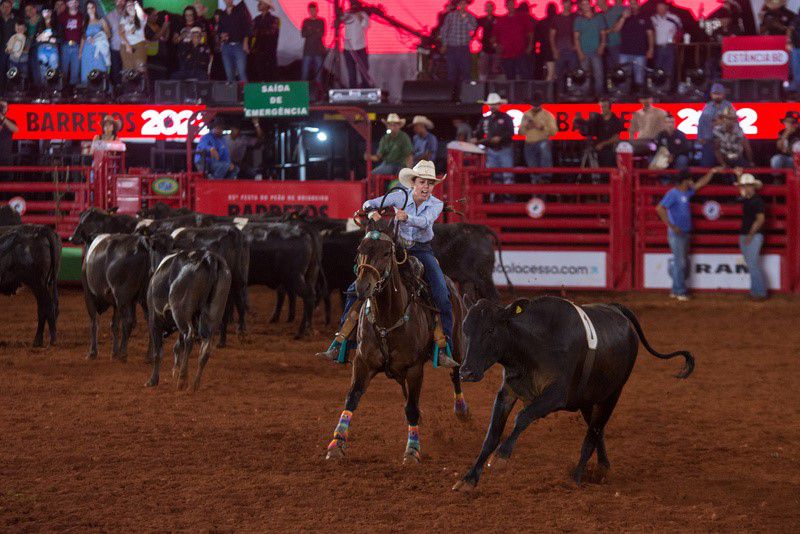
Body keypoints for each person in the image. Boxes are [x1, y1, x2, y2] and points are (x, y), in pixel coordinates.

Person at [316, 160, 459, 369]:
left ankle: (445, 349)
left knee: (441, 294)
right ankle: (342, 342)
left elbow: (426, 222)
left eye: (430, 183)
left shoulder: (435, 204)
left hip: (421, 250)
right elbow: (367, 204)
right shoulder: (400, 195)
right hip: (395, 249)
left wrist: (407, 216)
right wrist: (372, 212)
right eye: (423, 182)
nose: (426, 187)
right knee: (356, 289)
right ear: (414, 183)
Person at [655, 167, 721, 301]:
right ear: (685, 181)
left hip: (683, 232)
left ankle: (676, 289)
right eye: (690, 179)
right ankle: (680, 291)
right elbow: (660, 208)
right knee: (680, 262)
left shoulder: (685, 192)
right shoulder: (674, 193)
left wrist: (711, 172)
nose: (692, 181)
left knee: (680, 262)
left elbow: (701, 183)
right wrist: (672, 226)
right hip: (678, 233)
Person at [735, 172, 767, 300]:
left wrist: (750, 234)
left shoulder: (756, 201)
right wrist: (738, 176)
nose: (746, 188)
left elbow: (760, 220)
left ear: (753, 186)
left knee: (752, 264)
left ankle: (759, 292)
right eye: (745, 185)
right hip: (748, 234)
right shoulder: (749, 198)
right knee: (752, 264)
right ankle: (756, 291)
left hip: (752, 235)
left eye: (748, 185)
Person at [476, 92, 515, 190]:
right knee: (494, 175)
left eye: (495, 104)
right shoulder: (485, 119)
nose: (492, 106)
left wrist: (500, 138)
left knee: (507, 175)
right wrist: (476, 139)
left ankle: (507, 196)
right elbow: (478, 133)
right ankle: (497, 197)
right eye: (491, 104)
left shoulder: (506, 117)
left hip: (504, 149)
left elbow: (511, 133)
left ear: (499, 105)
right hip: (491, 150)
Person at [613, 0, 653, 90]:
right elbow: (615, 30)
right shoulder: (623, 16)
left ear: (638, 4)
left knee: (639, 78)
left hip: (640, 52)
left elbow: (650, 34)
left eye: (634, 3)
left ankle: (639, 98)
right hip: (625, 52)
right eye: (630, 4)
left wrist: (651, 49)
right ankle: (623, 98)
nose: (632, 6)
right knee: (623, 77)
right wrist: (623, 18)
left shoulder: (645, 17)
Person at [519, 91, 557, 183]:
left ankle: (545, 177)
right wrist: (525, 126)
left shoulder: (548, 115)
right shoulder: (526, 115)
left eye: (537, 104)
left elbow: (553, 132)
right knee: (533, 170)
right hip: (529, 143)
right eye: (534, 104)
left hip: (542, 141)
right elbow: (521, 133)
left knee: (544, 147)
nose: (535, 106)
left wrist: (542, 127)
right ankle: (536, 182)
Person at [440, 0, 477, 86]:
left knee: (466, 72)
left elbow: (472, 30)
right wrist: (444, 44)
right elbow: (444, 30)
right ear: (458, 4)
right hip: (452, 48)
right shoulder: (451, 16)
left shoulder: (471, 17)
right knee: (451, 72)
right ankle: (451, 96)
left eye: (464, 3)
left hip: (464, 48)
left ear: (467, 5)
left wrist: (465, 19)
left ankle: (466, 96)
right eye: (461, 3)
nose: (463, 5)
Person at [493, 0, 532, 81]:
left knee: (525, 76)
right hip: (506, 54)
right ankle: (511, 93)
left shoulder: (523, 18)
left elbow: (530, 33)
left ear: (515, 5)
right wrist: (496, 46)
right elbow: (493, 36)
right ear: (506, 6)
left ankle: (526, 92)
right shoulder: (501, 20)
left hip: (521, 53)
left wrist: (530, 46)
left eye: (512, 4)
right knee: (510, 78)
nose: (511, 6)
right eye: (509, 4)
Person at [697, 83, 735, 167]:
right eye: (715, 94)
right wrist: (700, 137)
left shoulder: (728, 106)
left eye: (719, 94)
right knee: (706, 165)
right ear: (711, 94)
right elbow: (701, 123)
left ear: (723, 94)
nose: (717, 96)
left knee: (727, 165)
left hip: (724, 142)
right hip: (709, 141)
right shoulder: (707, 107)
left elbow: (734, 123)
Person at [573, 0, 605, 97]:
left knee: (599, 74)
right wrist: (579, 52)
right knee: (584, 75)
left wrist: (602, 46)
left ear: (590, 4)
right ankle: (584, 96)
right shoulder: (578, 19)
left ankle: (599, 96)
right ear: (580, 6)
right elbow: (576, 38)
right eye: (583, 4)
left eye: (587, 3)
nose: (585, 6)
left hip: (596, 51)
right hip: (584, 51)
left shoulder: (599, 17)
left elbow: (603, 33)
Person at [218, 0, 252, 82]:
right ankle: (231, 94)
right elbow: (219, 30)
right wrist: (222, 36)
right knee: (229, 74)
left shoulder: (240, 11)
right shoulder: (222, 14)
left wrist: (245, 42)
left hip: (239, 45)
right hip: (226, 46)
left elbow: (247, 27)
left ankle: (246, 93)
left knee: (241, 73)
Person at [650, 0, 681, 90]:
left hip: (669, 47)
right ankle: (658, 89)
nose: (660, 9)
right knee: (657, 69)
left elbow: (680, 31)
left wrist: (677, 38)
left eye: (662, 7)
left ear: (666, 7)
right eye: (658, 7)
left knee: (669, 69)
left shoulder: (674, 18)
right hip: (658, 48)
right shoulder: (653, 19)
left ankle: (667, 89)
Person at [341, 0, 370, 88]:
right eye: (351, 4)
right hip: (348, 48)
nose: (353, 6)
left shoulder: (363, 14)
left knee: (364, 71)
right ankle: (352, 92)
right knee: (351, 72)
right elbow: (341, 20)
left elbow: (366, 26)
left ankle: (365, 90)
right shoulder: (347, 14)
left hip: (360, 47)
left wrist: (359, 16)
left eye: (354, 4)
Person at [80, 1, 110, 84]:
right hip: (87, 50)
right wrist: (80, 52)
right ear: (86, 10)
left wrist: (97, 38)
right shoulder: (84, 22)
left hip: (98, 49)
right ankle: (88, 93)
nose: (90, 9)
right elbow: (83, 38)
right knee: (87, 71)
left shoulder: (101, 20)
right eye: (88, 8)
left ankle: (103, 90)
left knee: (101, 68)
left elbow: (108, 34)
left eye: (92, 7)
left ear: (95, 8)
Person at [589, 95, 623, 167]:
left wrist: (602, 144)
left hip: (611, 151)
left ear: (609, 107)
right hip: (598, 151)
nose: (602, 109)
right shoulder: (597, 118)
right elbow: (591, 131)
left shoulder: (616, 120)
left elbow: (616, 138)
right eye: (601, 107)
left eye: (604, 107)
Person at [250, 0, 280, 82]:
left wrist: (259, 31)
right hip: (258, 51)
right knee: (259, 74)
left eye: (261, 3)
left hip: (269, 52)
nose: (259, 4)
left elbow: (271, 32)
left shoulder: (275, 19)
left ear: (267, 6)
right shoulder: (256, 19)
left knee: (270, 75)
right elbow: (251, 32)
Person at [550, 0, 576, 90]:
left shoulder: (575, 17)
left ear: (571, 4)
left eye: (568, 3)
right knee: (559, 75)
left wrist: (577, 46)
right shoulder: (556, 18)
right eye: (565, 2)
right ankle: (560, 95)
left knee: (574, 74)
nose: (567, 5)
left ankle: (573, 94)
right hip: (560, 51)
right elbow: (552, 35)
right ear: (562, 4)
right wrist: (554, 50)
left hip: (573, 51)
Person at [300, 2, 325, 94]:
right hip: (307, 51)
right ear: (308, 11)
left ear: (317, 10)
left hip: (318, 51)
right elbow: (303, 34)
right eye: (311, 10)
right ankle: (302, 93)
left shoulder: (321, 21)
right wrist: (315, 30)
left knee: (318, 75)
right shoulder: (305, 21)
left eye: (314, 10)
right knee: (304, 73)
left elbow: (321, 34)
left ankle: (319, 93)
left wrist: (310, 30)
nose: (312, 12)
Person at [58, 0, 83, 85]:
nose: (73, 3)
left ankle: (73, 92)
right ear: (67, 4)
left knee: (75, 71)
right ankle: (62, 90)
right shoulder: (62, 16)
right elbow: (59, 32)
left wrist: (81, 48)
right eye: (71, 2)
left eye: (75, 2)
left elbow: (84, 33)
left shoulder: (82, 16)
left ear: (78, 3)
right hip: (65, 46)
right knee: (63, 70)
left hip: (77, 46)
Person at [119, 0, 147, 73]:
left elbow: (142, 15)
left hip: (139, 45)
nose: (129, 7)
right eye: (127, 5)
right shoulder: (124, 18)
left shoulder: (141, 18)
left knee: (140, 69)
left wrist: (136, 4)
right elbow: (121, 33)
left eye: (131, 5)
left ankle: (142, 84)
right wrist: (127, 44)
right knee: (128, 71)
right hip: (125, 46)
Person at [34, 9, 59, 87]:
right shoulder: (39, 24)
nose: (46, 13)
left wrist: (49, 39)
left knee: (53, 65)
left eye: (48, 11)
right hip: (42, 48)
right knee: (43, 65)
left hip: (53, 48)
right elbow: (37, 38)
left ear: (51, 12)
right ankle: (44, 87)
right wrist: (41, 37)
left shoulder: (57, 24)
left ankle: (54, 87)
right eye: (44, 12)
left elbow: (60, 39)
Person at [596, 0, 624, 71]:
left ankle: (623, 81)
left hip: (616, 44)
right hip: (605, 46)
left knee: (620, 67)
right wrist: (610, 30)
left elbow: (627, 12)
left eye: (602, 3)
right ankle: (612, 82)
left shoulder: (615, 10)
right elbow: (599, 31)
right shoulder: (599, 15)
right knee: (610, 69)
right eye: (599, 4)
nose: (601, 5)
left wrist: (608, 30)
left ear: (606, 2)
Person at [104, 0, 125, 84]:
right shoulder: (109, 16)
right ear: (114, 2)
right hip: (114, 48)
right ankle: (116, 91)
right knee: (115, 71)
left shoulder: (129, 14)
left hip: (127, 48)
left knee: (126, 71)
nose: (120, 2)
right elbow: (106, 33)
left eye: (122, 0)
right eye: (118, 0)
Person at [535, 2, 557, 80]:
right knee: (553, 73)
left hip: (546, 49)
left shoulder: (542, 22)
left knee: (549, 73)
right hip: (550, 49)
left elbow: (537, 37)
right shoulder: (557, 21)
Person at [477, 1, 498, 80]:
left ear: (493, 8)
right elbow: (475, 32)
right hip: (484, 48)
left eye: (490, 6)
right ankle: (482, 89)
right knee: (482, 71)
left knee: (494, 71)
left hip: (495, 49)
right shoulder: (481, 20)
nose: (489, 8)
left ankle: (493, 89)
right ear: (485, 9)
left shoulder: (498, 19)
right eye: (487, 6)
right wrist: (478, 40)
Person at [0, 0, 14, 91]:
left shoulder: (14, 20)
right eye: (4, 6)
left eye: (8, 6)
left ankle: (9, 87)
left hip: (12, 47)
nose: (6, 8)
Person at [0, 100, 18, 167]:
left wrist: (3, 118)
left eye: (4, 106)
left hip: (6, 158)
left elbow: (15, 130)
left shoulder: (10, 121)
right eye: (1, 106)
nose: (2, 108)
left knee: (7, 177)